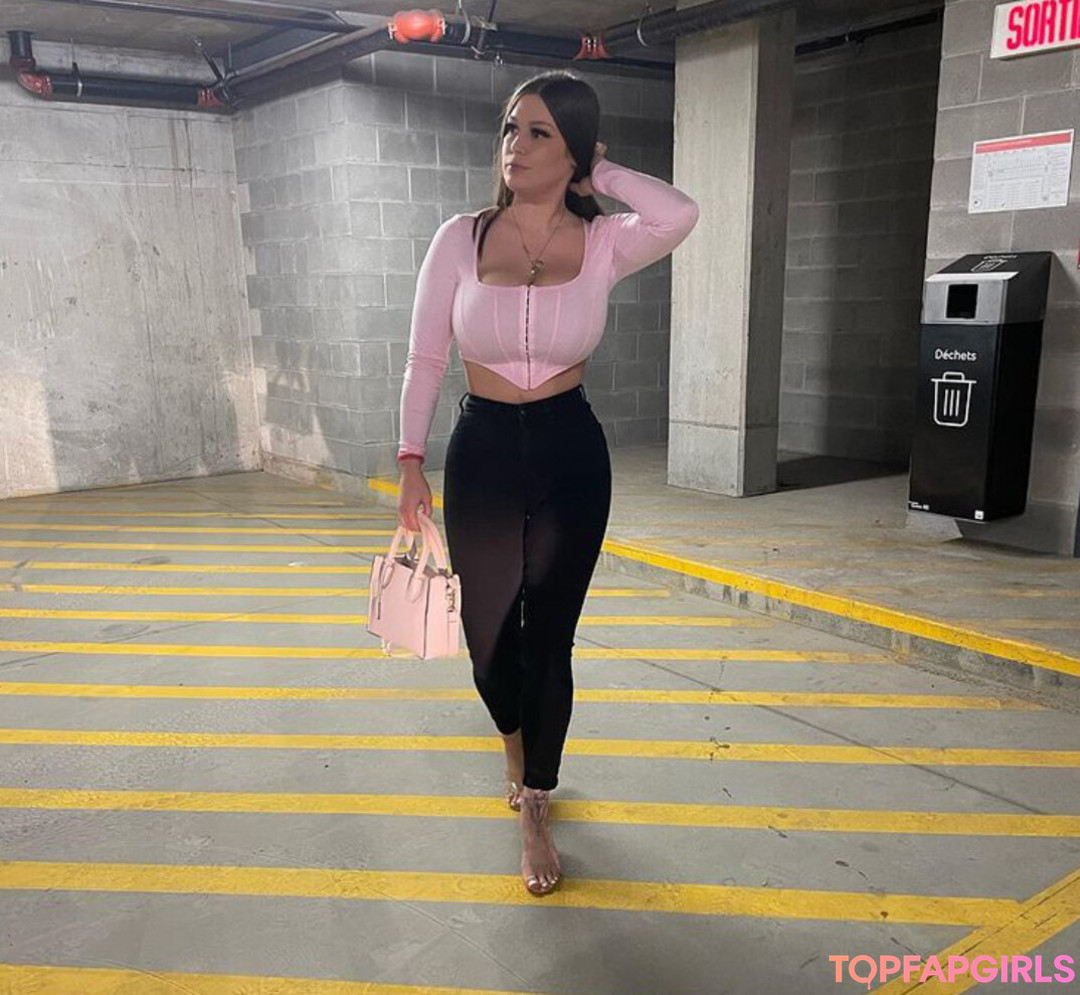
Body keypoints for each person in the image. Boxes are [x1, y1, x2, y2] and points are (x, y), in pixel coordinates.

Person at [396, 70, 699, 896]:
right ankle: (512, 739)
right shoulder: (459, 238)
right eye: (509, 128)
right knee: (490, 637)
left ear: (574, 152)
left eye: (538, 133)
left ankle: (537, 801)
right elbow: (425, 356)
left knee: (551, 634)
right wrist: (411, 460)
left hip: (570, 452)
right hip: (484, 451)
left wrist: (606, 175)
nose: (515, 145)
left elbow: (679, 214)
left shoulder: (605, 242)